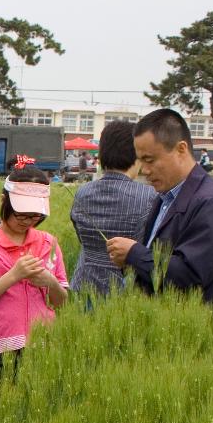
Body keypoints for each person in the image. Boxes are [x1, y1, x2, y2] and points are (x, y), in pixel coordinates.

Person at [106, 108, 213, 308]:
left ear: (181, 150)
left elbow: (190, 276)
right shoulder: (165, 198)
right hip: (163, 322)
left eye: (150, 160)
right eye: (140, 161)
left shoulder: (208, 203)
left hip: (191, 329)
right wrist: (128, 261)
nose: (144, 171)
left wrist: (134, 254)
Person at [0, 167, 68, 375]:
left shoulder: (49, 243)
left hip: (42, 347)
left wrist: (51, 282)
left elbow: (63, 303)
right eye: (21, 215)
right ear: (4, 201)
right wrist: (13, 276)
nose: (28, 222)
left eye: (35, 216)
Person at [67, 120, 158, 298]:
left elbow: (80, 236)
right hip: (125, 290)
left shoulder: (82, 192)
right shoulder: (149, 196)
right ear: (137, 154)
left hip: (83, 285)